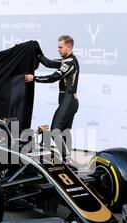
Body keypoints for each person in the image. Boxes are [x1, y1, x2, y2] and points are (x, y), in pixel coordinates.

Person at [25, 35, 79, 166]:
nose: (58, 49)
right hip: (68, 100)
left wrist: (34, 78)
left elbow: (54, 77)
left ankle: (68, 159)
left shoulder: (70, 62)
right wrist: (36, 51)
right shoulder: (65, 60)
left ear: (69, 47)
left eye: (61, 47)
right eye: (58, 47)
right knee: (64, 131)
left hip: (69, 100)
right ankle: (69, 161)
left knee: (55, 130)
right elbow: (48, 63)